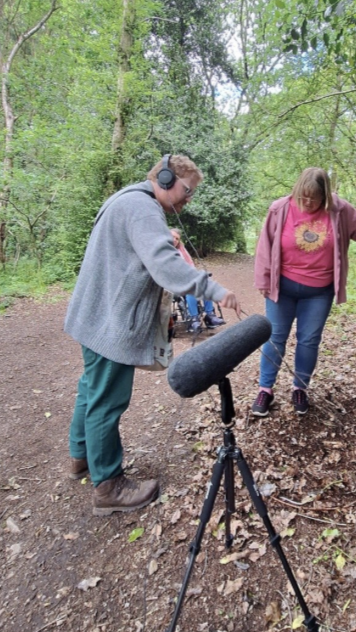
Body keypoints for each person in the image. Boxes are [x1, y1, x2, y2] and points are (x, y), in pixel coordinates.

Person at [65, 155, 241, 516]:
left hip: (93, 316)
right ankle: (108, 486)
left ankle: (81, 456)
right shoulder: (143, 209)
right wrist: (216, 291)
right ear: (165, 179)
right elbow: (165, 265)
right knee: (107, 400)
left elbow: (139, 249)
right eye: (187, 190)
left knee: (91, 389)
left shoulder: (128, 199)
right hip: (109, 323)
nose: (188, 199)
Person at [252, 167, 356, 417]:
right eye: (302, 196)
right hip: (282, 289)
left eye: (313, 198)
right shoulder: (280, 209)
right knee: (275, 337)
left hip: (319, 292)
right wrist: (263, 279)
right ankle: (265, 389)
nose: (307, 202)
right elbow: (265, 244)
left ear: (324, 195)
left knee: (308, 340)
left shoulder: (338, 210)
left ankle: (300, 388)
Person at [170, 229, 226, 331]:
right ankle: (194, 318)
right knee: (191, 287)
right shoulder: (163, 252)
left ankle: (210, 315)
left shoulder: (181, 250)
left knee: (205, 282)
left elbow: (191, 265)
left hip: (187, 277)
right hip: (173, 282)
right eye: (172, 237)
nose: (174, 240)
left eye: (177, 238)